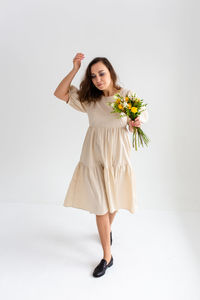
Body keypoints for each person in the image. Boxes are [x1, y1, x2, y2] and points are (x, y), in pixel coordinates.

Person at [53, 53, 148, 277]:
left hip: (118, 156)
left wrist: (136, 122)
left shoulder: (126, 96)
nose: (98, 79)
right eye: (93, 76)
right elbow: (59, 93)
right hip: (93, 156)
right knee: (101, 207)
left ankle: (107, 231)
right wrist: (75, 69)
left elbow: (139, 117)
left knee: (112, 201)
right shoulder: (90, 99)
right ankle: (108, 256)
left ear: (111, 73)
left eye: (102, 73)